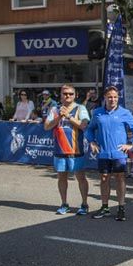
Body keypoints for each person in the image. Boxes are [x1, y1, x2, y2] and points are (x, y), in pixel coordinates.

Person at [87, 85, 133, 222]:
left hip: (119, 153)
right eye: (110, 97)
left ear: (118, 98)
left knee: (120, 178)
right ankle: (105, 207)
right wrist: (92, 142)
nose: (112, 99)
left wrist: (131, 143)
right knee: (104, 178)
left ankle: (121, 208)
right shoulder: (97, 113)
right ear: (105, 98)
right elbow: (89, 129)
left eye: (115, 97)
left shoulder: (125, 113)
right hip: (103, 153)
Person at [44, 84, 90, 215]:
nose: (67, 96)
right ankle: (64, 204)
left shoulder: (80, 108)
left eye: (70, 94)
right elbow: (47, 127)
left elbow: (83, 125)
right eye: (65, 93)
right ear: (61, 95)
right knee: (61, 178)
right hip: (59, 150)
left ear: (75, 95)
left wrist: (68, 116)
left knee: (81, 178)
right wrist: (59, 116)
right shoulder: (54, 109)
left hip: (76, 149)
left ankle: (84, 204)